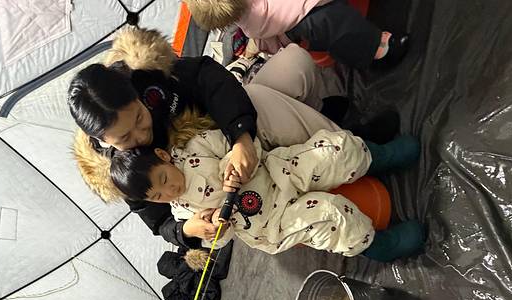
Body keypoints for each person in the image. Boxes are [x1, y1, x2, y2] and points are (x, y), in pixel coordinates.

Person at [69, 27, 398, 249]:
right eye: (125, 137)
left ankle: (331, 129)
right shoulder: (121, 172)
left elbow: (208, 77)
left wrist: (240, 137)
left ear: (134, 92)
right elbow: (160, 223)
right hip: (250, 183)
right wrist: (187, 230)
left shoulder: (148, 78)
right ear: (104, 140)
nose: (142, 134)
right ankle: (354, 141)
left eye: (140, 118)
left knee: (296, 62)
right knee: (262, 99)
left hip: (235, 134)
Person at [107, 123, 426, 262]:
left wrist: (236, 163)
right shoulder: (182, 212)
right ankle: (379, 246)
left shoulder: (197, 146)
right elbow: (222, 239)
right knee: (328, 215)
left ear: (163, 156)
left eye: (164, 179)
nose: (170, 190)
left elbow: (246, 145)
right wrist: (214, 228)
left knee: (333, 151)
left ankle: (382, 156)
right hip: (271, 223)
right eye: (158, 197)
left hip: (277, 171)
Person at [184, 0, 409, 69]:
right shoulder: (256, 17)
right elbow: (291, 9)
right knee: (326, 22)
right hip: (300, 23)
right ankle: (374, 50)